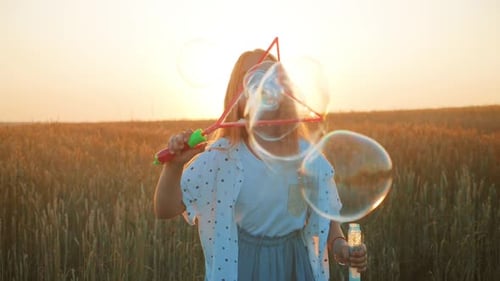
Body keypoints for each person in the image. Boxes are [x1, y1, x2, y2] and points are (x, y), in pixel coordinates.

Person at [154, 48, 368, 281]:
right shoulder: (222, 156)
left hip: (294, 265)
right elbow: (164, 209)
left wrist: (340, 247)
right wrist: (173, 166)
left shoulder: (306, 157)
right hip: (244, 267)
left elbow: (325, 217)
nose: (262, 84)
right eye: (251, 78)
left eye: (270, 77)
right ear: (236, 96)